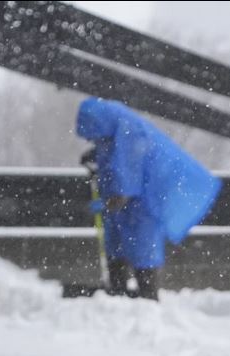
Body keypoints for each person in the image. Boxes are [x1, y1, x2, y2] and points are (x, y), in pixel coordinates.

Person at [74, 97, 221, 300]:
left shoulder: (130, 134)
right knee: (116, 246)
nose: (93, 141)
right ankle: (118, 293)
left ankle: (148, 298)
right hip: (129, 208)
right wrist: (95, 155)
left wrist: (104, 205)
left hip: (144, 204)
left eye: (94, 136)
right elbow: (111, 155)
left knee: (142, 249)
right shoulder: (113, 125)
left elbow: (125, 186)